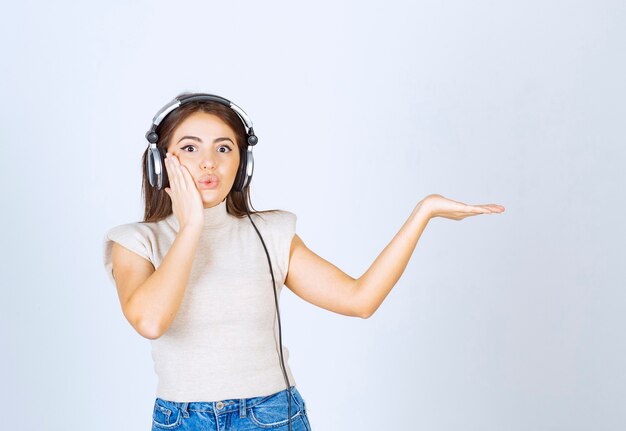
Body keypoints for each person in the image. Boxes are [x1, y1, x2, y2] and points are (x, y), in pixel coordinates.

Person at [102, 92, 505, 430]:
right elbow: (150, 321)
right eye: (190, 147)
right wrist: (191, 227)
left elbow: (359, 300)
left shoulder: (272, 232)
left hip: (272, 417)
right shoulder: (136, 241)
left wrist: (424, 212)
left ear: (243, 164)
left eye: (224, 147)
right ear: (160, 163)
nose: (209, 162)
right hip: (183, 420)